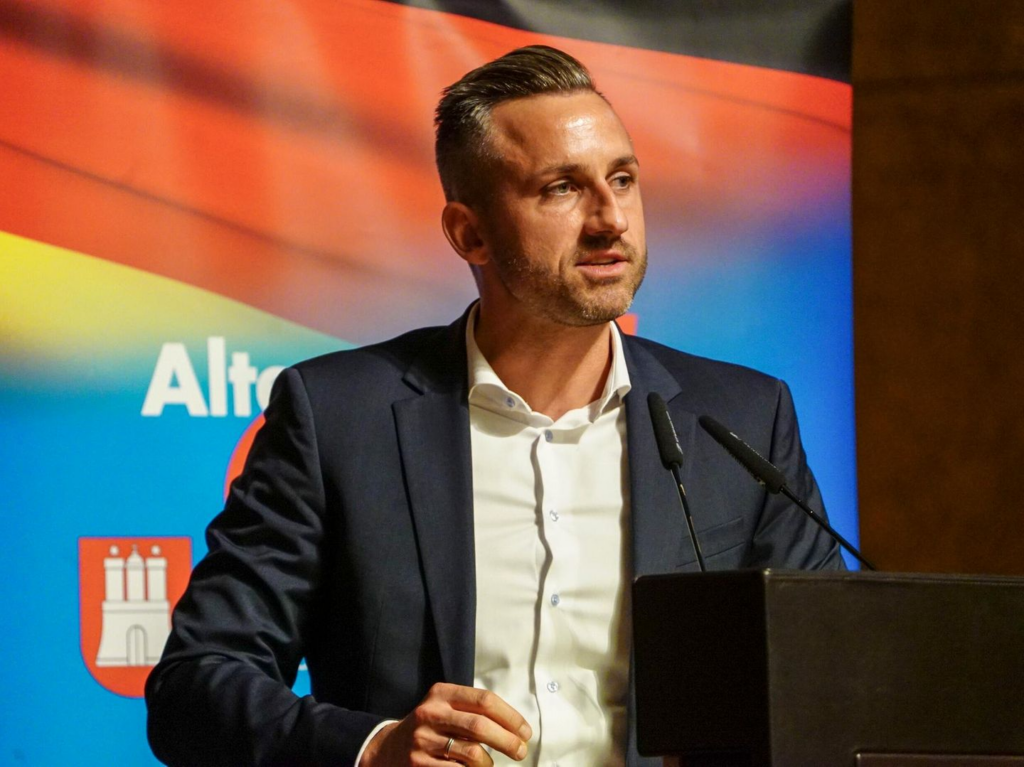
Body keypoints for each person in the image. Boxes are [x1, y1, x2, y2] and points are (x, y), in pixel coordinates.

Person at [146, 45, 844, 767]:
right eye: (561, 189)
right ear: (468, 233)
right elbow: (194, 686)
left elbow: (829, 680)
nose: (611, 219)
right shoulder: (337, 417)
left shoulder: (741, 417)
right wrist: (375, 748)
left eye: (623, 179)